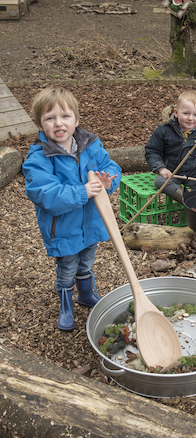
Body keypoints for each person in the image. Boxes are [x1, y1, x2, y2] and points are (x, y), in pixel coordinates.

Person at [22, 86, 122, 331]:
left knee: (86, 263)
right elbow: (46, 194)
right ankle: (66, 306)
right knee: (67, 268)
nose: (59, 123)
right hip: (64, 229)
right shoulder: (38, 158)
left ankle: (86, 295)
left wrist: (107, 180)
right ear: (40, 124)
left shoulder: (90, 145)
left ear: (76, 120)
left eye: (65, 116)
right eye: (50, 118)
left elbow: (111, 166)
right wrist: (83, 191)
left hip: (91, 224)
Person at [144, 90, 196, 204]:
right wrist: (161, 168)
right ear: (176, 112)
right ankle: (186, 200)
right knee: (160, 181)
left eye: (195, 115)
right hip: (172, 171)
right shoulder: (164, 130)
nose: (190, 118)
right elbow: (152, 150)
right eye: (186, 113)